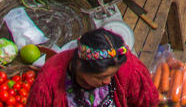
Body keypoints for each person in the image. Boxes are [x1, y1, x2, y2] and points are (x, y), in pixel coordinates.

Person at [28, 29, 159, 107]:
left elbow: (146, 102)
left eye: (111, 75)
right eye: (100, 77)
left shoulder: (128, 67)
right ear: (79, 66)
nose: (107, 81)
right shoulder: (49, 79)